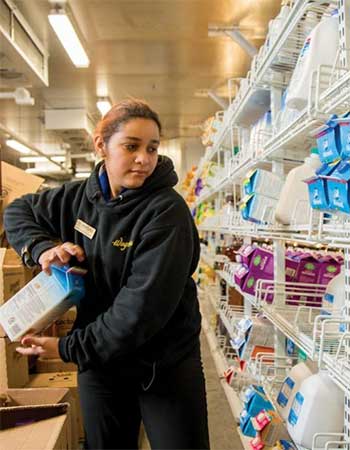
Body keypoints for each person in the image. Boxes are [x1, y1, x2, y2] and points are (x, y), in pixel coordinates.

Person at [4, 99, 210, 450]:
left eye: (152, 148)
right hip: (102, 364)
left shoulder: (166, 213)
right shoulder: (80, 197)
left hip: (163, 365)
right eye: (131, 146)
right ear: (101, 146)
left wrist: (66, 347)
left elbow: (138, 313)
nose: (144, 158)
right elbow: (19, 211)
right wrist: (42, 249)